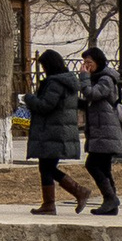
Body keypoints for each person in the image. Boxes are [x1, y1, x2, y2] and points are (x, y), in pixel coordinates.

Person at [27, 46, 88, 214]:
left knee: (47, 167)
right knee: (47, 167)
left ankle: (74, 193)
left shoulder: (55, 83)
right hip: (58, 131)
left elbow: (46, 105)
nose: (43, 70)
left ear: (50, 66)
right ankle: (53, 202)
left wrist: (29, 99)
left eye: (44, 67)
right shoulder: (67, 82)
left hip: (52, 131)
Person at [78, 44, 122, 217]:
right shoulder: (98, 78)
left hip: (106, 131)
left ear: (98, 62)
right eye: (84, 62)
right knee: (104, 168)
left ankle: (110, 198)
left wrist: (84, 78)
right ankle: (111, 204)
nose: (86, 66)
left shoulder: (106, 79)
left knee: (92, 164)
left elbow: (93, 94)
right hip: (101, 130)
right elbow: (90, 100)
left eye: (89, 62)